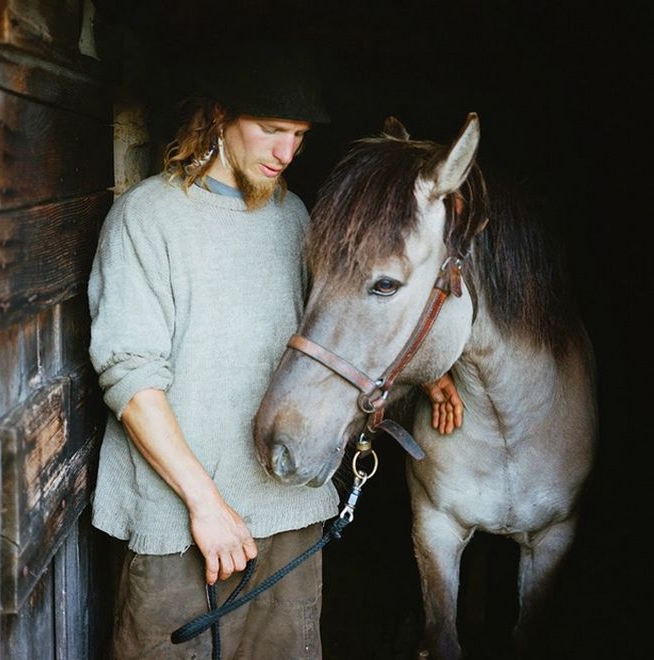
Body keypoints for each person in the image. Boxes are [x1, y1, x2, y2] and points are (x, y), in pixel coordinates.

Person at [88, 44, 463, 660]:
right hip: (177, 518)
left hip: (287, 507)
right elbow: (130, 376)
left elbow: (341, 333)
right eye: (270, 130)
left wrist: (423, 379)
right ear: (218, 116)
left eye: (299, 135)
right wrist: (206, 507)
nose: (287, 154)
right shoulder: (146, 217)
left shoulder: (297, 219)